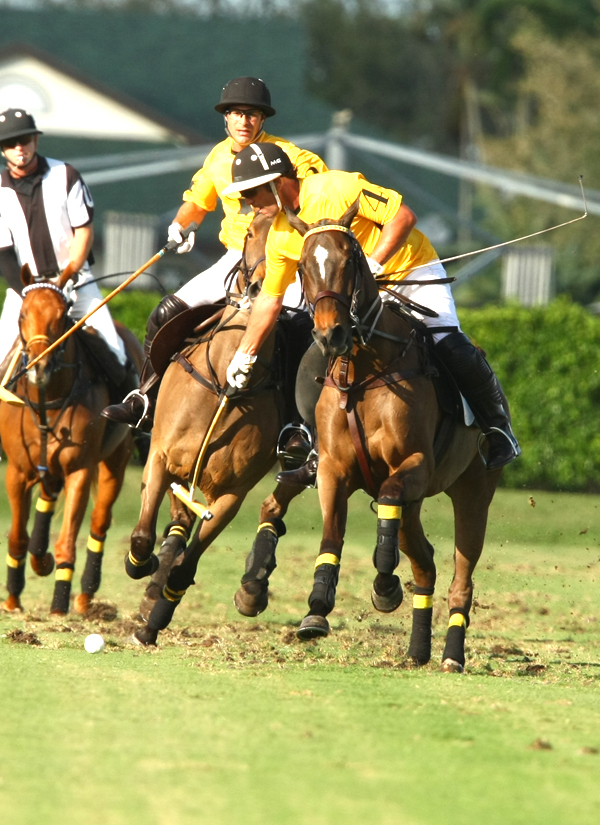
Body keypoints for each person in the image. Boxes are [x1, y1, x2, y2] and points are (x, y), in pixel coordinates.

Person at [221, 142, 521, 484]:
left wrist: (374, 264)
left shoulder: (337, 186)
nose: (247, 201)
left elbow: (402, 217)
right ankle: (316, 446)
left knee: (447, 340)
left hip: (410, 270)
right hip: (353, 297)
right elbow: (270, 300)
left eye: (251, 191)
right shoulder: (279, 233)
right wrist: (245, 354)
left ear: (277, 182)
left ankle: (498, 428)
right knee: (315, 361)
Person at [102, 76, 327, 429]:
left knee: (298, 329)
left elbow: (317, 191)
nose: (244, 121)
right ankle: (148, 398)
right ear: (226, 117)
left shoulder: (292, 155)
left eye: (252, 114)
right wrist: (180, 225)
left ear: (263, 119)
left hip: (283, 259)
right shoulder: (217, 157)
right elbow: (198, 200)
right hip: (235, 258)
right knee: (165, 313)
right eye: (237, 113)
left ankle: (298, 428)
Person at [0, 107, 127, 378]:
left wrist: (68, 274)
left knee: (115, 350)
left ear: (36, 140)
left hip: (75, 281)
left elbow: (84, 231)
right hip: (25, 288)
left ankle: (131, 414)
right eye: (10, 143)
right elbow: (4, 252)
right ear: (3, 150)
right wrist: (28, 292)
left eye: (24, 140)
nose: (19, 148)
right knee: (1, 356)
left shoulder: (65, 175)